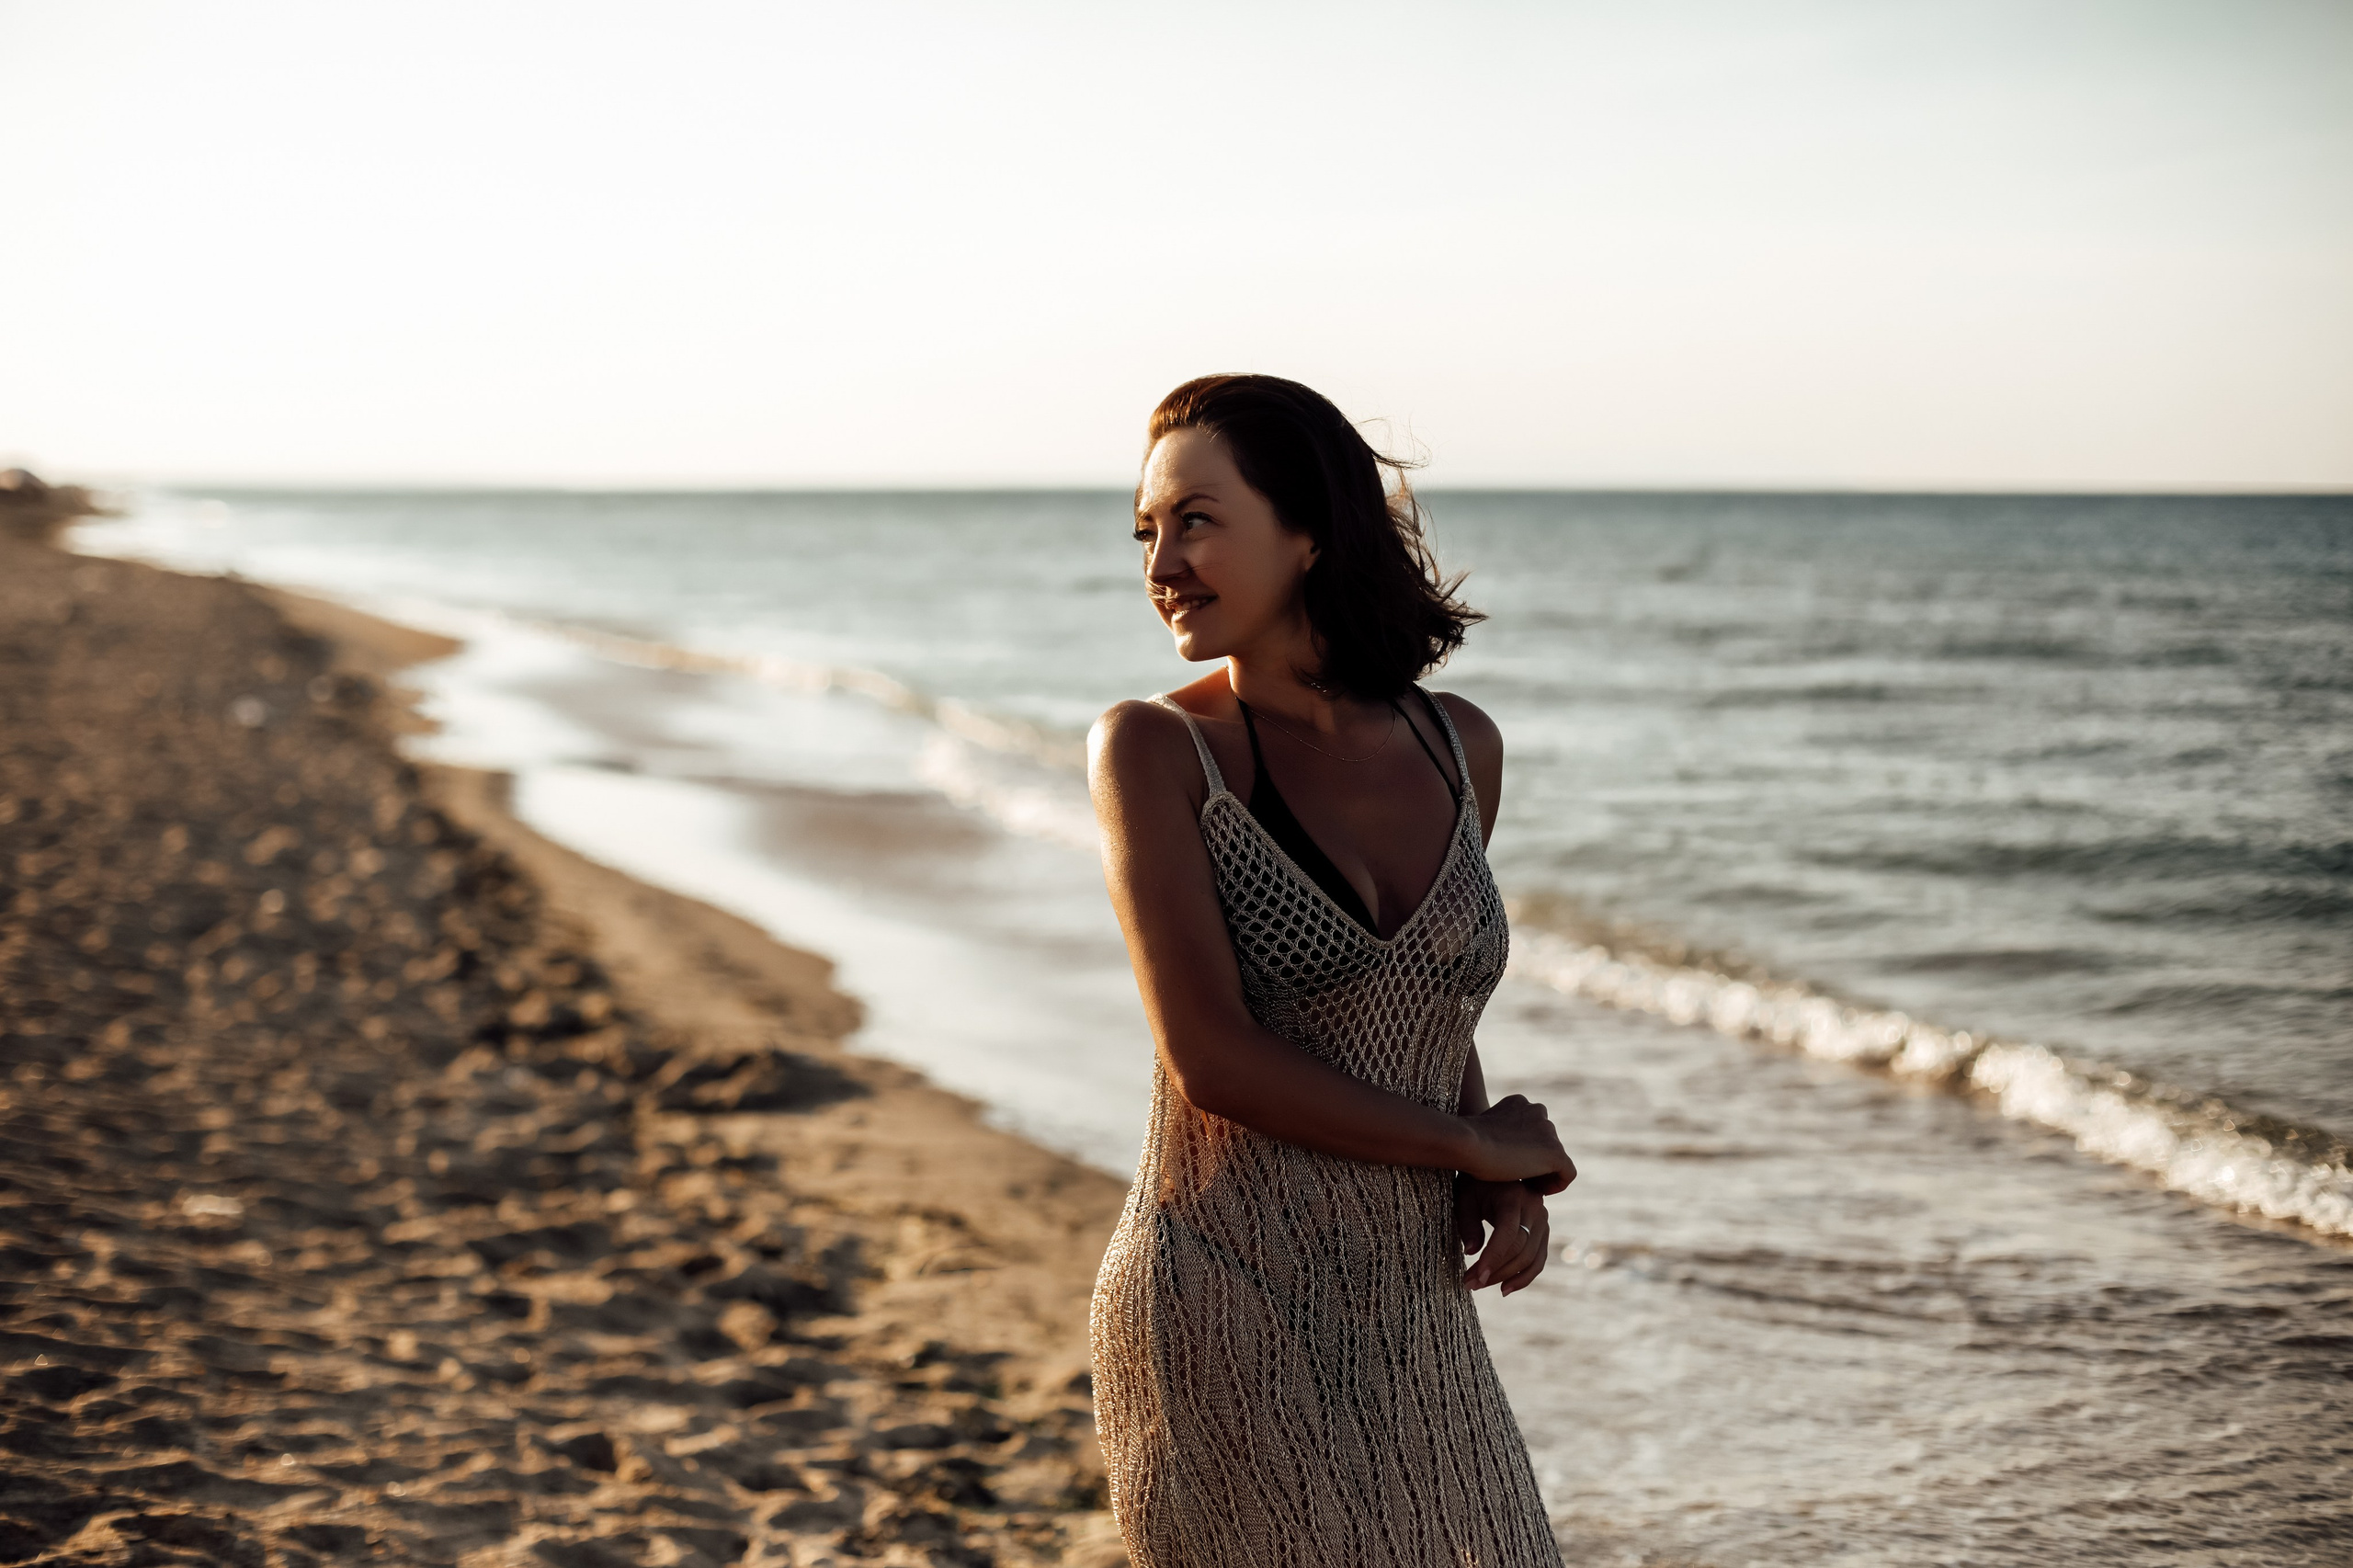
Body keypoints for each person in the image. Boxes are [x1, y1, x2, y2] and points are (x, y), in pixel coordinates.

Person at [1086, 374, 1574, 1566]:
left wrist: (1490, 1176)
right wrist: (1471, 1143)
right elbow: (1215, 1060)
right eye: (1148, 532)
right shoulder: (1157, 750)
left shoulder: (1460, 747)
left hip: (1407, 1300)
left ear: (1306, 529)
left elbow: (1424, 1003)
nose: (1162, 563)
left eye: (1195, 520)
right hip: (1219, 1291)